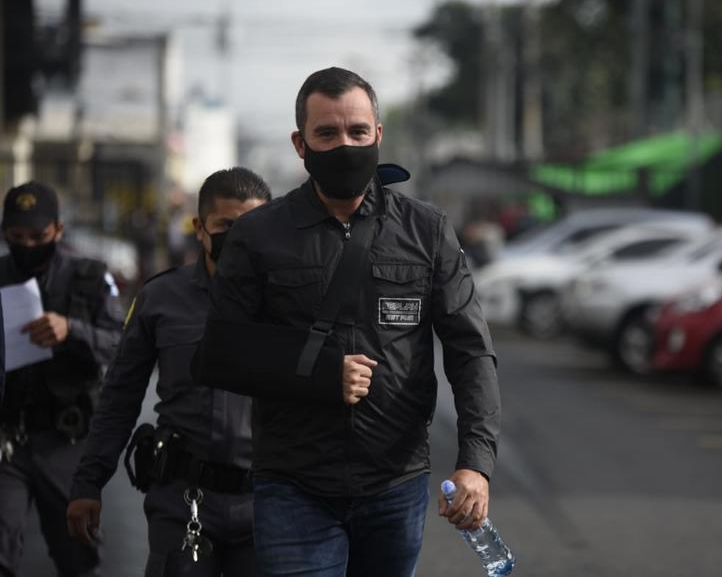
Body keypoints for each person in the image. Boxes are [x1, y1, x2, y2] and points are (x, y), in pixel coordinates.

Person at [194, 67, 502, 577]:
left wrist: (476, 462)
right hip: (293, 485)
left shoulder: (427, 231)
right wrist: (317, 373)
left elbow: (472, 353)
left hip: (395, 484)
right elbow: (220, 354)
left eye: (358, 132)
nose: (346, 145)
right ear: (300, 143)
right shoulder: (257, 235)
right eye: (327, 134)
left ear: (378, 135)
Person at [67, 168, 272, 576]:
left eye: (250, 226)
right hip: (182, 502)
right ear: (200, 228)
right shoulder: (160, 298)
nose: (238, 237)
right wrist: (88, 483)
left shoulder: (289, 298)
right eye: (225, 226)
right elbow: (120, 395)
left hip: (268, 505)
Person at [0, 181, 123, 577]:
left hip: (66, 439)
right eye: (17, 237)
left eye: (38, 236)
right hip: (8, 439)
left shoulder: (89, 277)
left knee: (78, 554)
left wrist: (71, 331)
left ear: (58, 230)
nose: (28, 246)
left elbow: (122, 347)